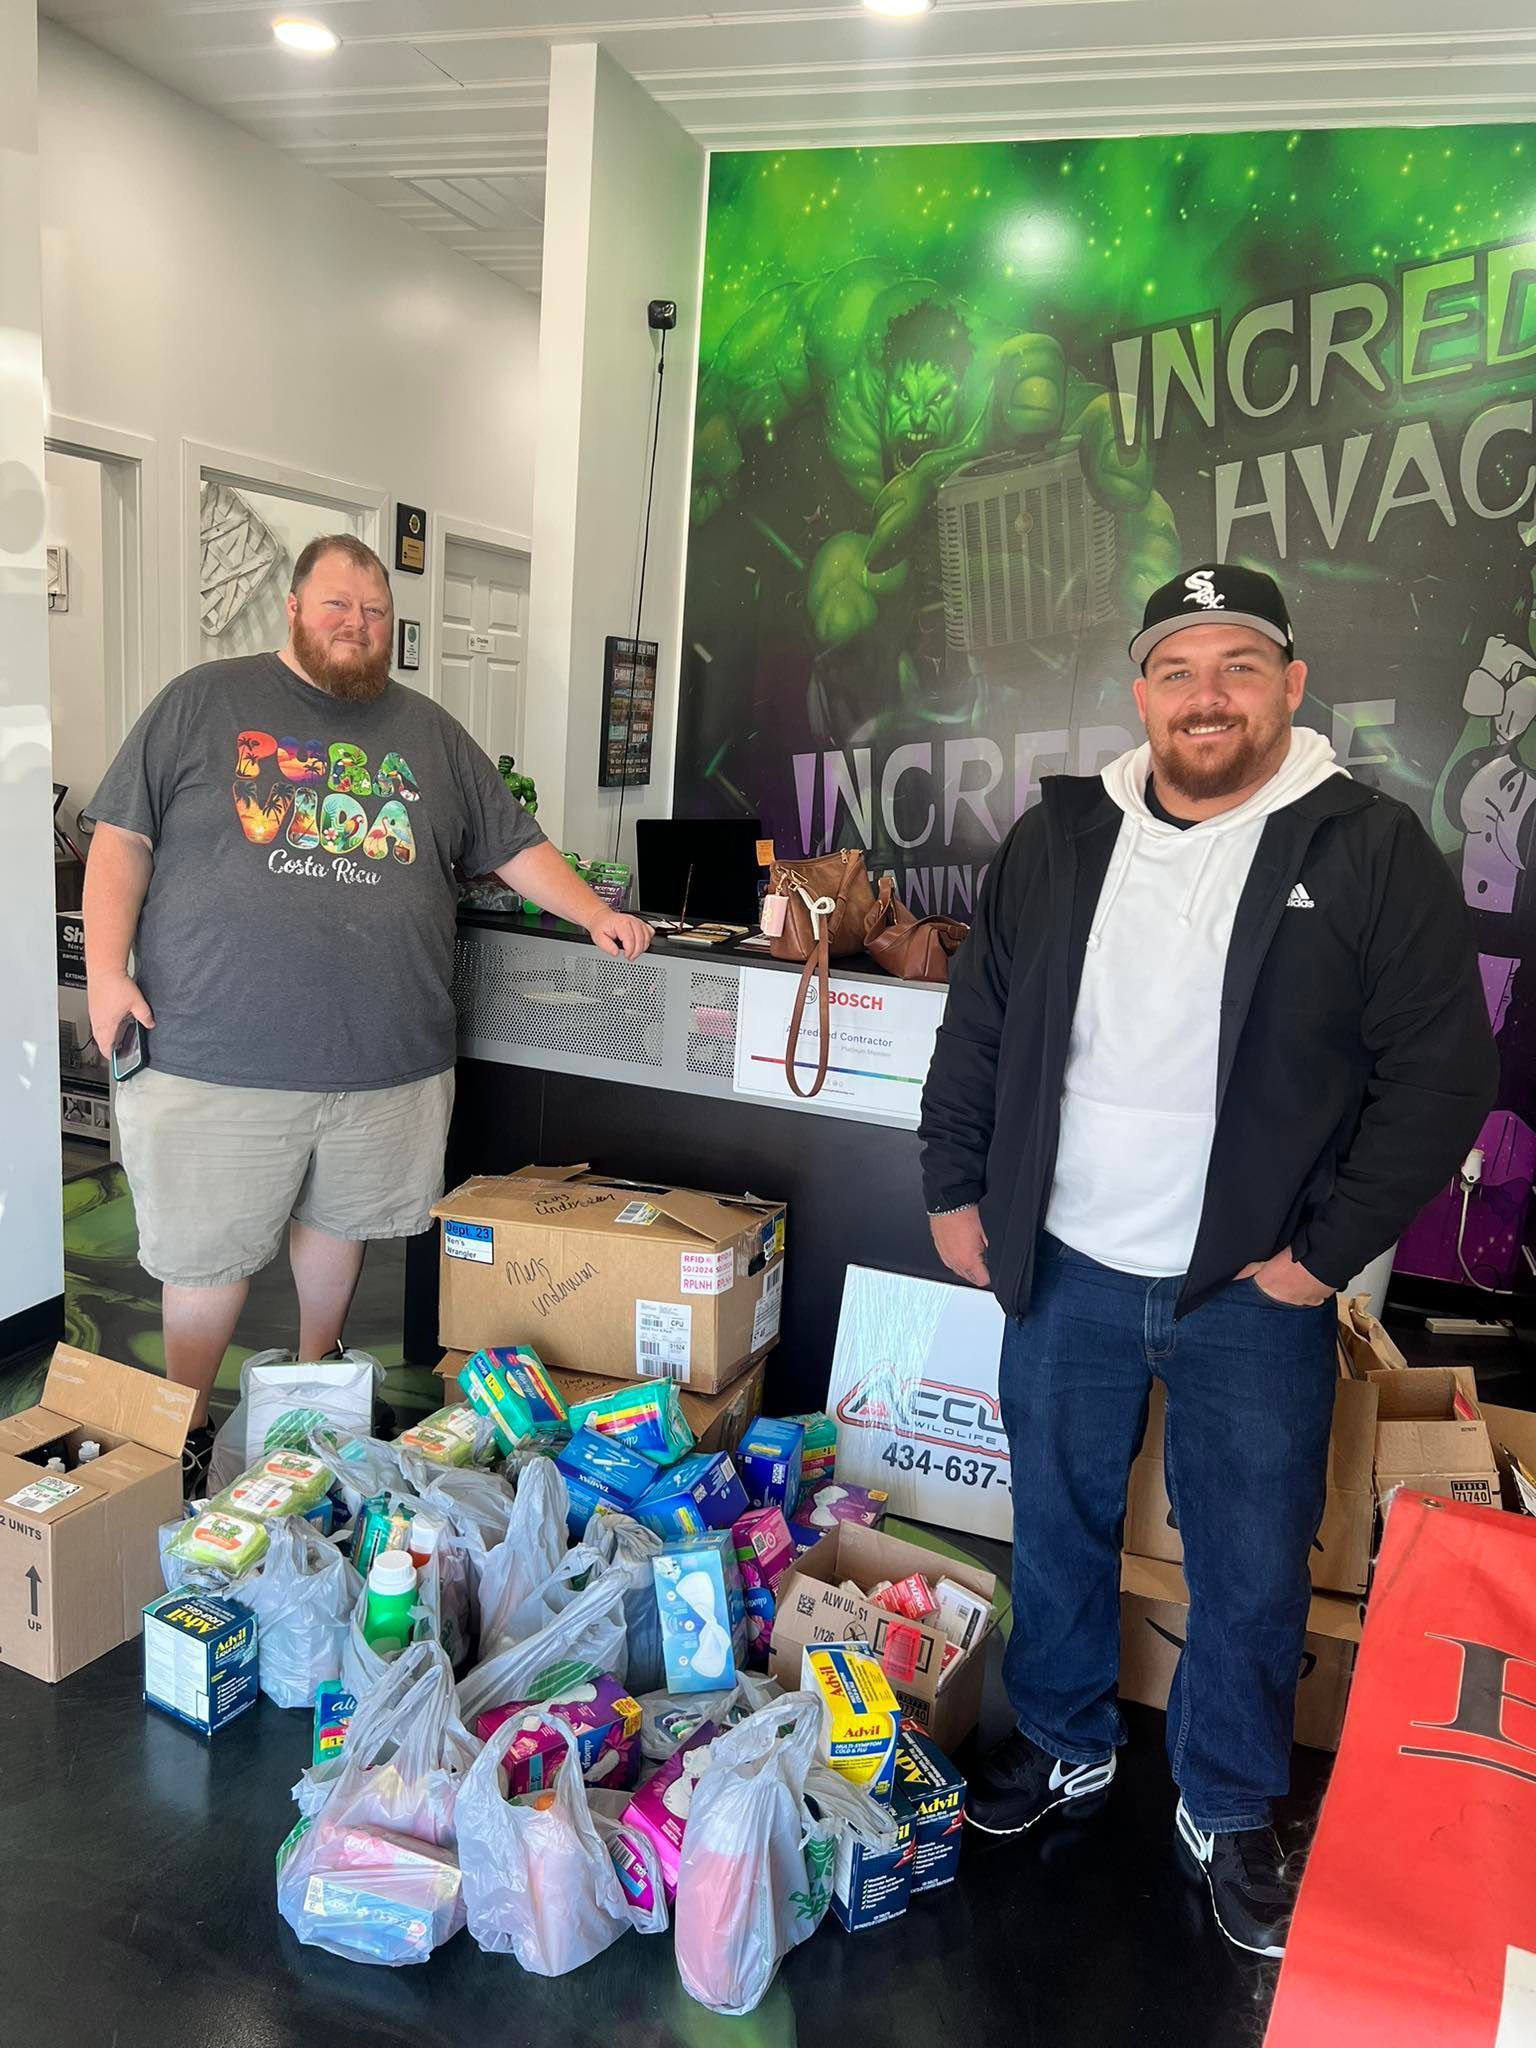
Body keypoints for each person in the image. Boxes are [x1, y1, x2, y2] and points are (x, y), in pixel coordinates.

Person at [918, 562, 1498, 1958]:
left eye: (1239, 666)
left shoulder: (1364, 845)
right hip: (1061, 1262)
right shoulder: (1060, 839)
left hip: (1252, 1286)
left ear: (1292, 686)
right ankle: (1061, 1737)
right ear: (1139, 694)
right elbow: (981, 1028)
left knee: (1249, 1557)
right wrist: (951, 1183)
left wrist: (1320, 1257)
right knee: (1054, 1525)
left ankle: (1231, 1800)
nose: (1206, 696)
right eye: (1177, 670)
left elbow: (1444, 1071)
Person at [85, 534, 651, 1490]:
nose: (358, 625)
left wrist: (596, 911)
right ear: (296, 609)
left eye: (377, 612)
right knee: (206, 1255)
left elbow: (515, 845)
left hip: (382, 1058)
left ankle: (313, 1403)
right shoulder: (202, 702)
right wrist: (105, 971)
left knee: (340, 1227)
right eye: (339, 605)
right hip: (217, 1053)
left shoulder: (427, 731)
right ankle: (178, 1435)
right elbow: (122, 840)